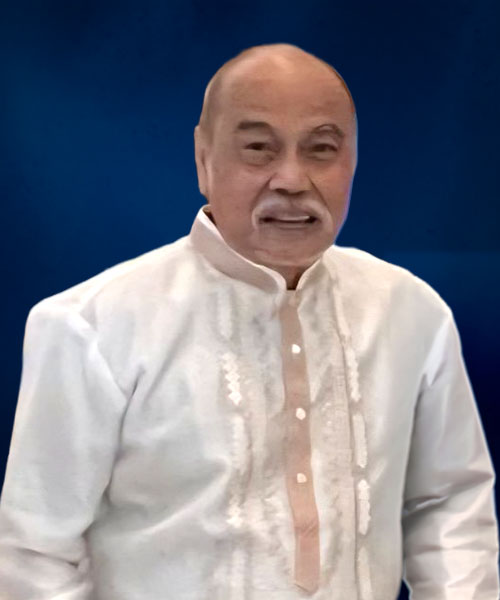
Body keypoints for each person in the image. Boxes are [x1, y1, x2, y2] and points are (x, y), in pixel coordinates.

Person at [0, 43, 497, 600]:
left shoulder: (411, 312)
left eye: (321, 149)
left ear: (353, 161)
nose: (292, 179)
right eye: (259, 149)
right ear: (203, 160)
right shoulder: (92, 328)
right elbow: (35, 554)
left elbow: (449, 505)